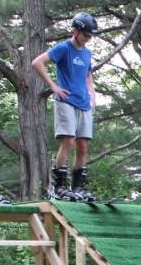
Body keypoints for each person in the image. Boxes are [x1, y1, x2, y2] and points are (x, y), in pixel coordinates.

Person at [31, 12, 98, 200]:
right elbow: (37, 63)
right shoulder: (63, 48)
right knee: (68, 140)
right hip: (66, 101)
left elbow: (88, 75)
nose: (87, 39)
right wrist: (53, 86)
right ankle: (58, 186)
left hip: (83, 102)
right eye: (85, 35)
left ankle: (77, 187)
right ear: (75, 31)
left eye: (90, 36)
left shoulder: (86, 52)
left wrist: (92, 93)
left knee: (83, 145)